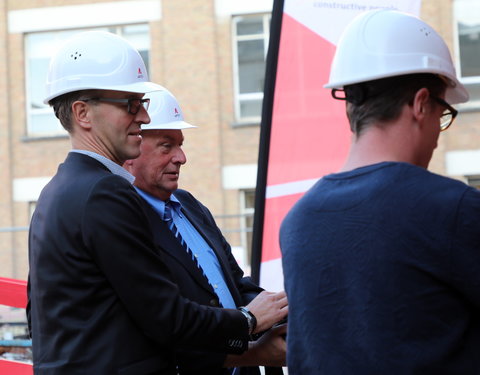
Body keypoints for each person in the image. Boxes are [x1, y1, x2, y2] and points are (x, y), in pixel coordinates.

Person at [27, 30, 288, 375]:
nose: (143, 117)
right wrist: (249, 320)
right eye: (130, 104)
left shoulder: (62, 191)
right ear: (83, 113)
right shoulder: (104, 193)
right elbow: (167, 318)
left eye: (142, 104)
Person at [280, 9, 480, 375]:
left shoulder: (297, 221)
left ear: (351, 107)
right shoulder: (453, 210)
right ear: (421, 104)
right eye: (443, 113)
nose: (439, 129)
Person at [124, 89, 287, 375]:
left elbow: (236, 284)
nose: (181, 157)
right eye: (167, 146)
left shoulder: (189, 205)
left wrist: (282, 310)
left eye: (181, 144)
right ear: (131, 149)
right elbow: (164, 324)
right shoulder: (123, 221)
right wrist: (249, 326)